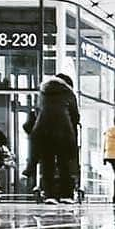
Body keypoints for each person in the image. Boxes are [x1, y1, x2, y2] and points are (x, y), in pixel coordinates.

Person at [30, 73, 79, 203]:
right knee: (64, 163)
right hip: (63, 131)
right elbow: (75, 115)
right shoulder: (69, 93)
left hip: (43, 131)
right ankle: (66, 195)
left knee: (47, 164)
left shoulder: (42, 93)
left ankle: (50, 195)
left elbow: (36, 112)